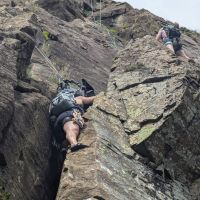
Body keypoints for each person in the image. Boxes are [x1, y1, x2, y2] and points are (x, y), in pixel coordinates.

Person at [50, 83, 96, 152]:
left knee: (69, 128)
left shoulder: (58, 100)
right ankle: (74, 144)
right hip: (70, 114)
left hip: (58, 122)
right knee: (73, 127)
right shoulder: (77, 98)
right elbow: (90, 99)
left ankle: (65, 147)